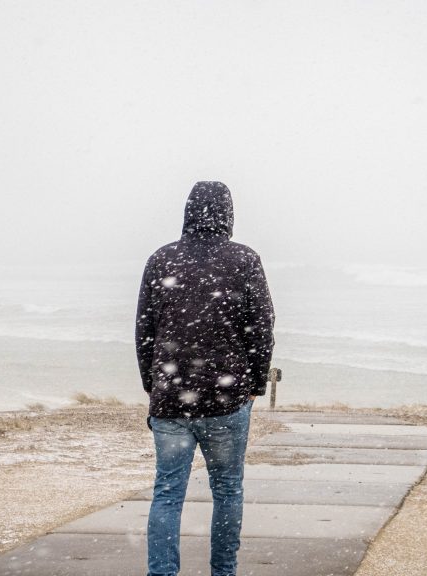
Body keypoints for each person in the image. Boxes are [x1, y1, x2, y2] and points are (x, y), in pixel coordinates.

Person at [135, 181, 276, 576]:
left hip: (170, 399)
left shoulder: (162, 260)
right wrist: (255, 385)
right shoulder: (243, 260)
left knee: (167, 493)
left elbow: (144, 328)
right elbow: (262, 327)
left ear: (188, 212)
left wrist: (154, 385)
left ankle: (161, 573)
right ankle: (223, 572)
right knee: (228, 491)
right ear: (228, 214)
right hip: (226, 398)